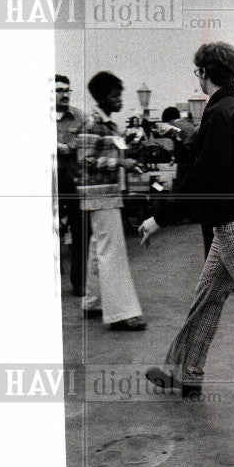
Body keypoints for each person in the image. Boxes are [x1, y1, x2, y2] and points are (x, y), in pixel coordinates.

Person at [139, 43, 234, 397]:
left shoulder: (219, 112)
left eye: (198, 73)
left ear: (204, 74)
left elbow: (203, 176)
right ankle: (185, 371)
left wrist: (160, 218)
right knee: (207, 296)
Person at [77, 72, 146, 331]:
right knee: (112, 252)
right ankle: (120, 312)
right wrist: (119, 162)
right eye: (116, 95)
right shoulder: (92, 124)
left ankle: (93, 301)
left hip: (104, 194)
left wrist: (128, 158)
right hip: (100, 195)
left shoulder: (109, 126)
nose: (119, 100)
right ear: (103, 97)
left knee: (99, 247)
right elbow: (84, 160)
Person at [55, 74, 88, 297]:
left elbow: (87, 140)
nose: (65, 94)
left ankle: (80, 282)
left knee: (80, 231)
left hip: (74, 180)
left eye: (67, 90)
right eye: (59, 90)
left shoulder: (79, 117)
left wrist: (67, 145)